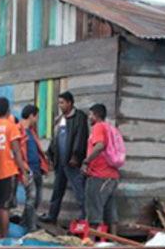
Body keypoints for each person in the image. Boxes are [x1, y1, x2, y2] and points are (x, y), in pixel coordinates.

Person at [42, 91, 89, 225]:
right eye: (59, 103)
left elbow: (80, 137)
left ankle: (85, 218)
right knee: (57, 190)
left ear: (70, 103)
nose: (60, 105)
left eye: (62, 103)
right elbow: (55, 139)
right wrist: (50, 155)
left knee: (80, 191)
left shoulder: (79, 117)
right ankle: (52, 216)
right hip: (60, 162)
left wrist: (76, 156)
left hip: (72, 162)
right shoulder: (59, 119)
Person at [0, 97, 29, 238]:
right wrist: (24, 172)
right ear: (8, 111)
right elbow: (16, 151)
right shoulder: (11, 127)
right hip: (8, 171)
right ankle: (4, 238)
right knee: (4, 208)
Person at [83, 103, 120, 235]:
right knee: (110, 211)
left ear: (97, 115)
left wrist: (87, 161)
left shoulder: (98, 127)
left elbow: (99, 146)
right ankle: (114, 243)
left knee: (94, 212)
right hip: (112, 176)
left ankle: (90, 246)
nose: (89, 118)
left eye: (90, 115)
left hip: (99, 175)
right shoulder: (111, 128)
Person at [19, 104, 49, 231]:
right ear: (31, 116)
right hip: (27, 169)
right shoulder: (18, 130)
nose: (37, 119)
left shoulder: (31, 131)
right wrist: (24, 170)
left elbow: (37, 150)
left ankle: (24, 223)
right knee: (31, 199)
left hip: (37, 168)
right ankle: (31, 228)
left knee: (37, 199)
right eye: (36, 116)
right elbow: (17, 152)